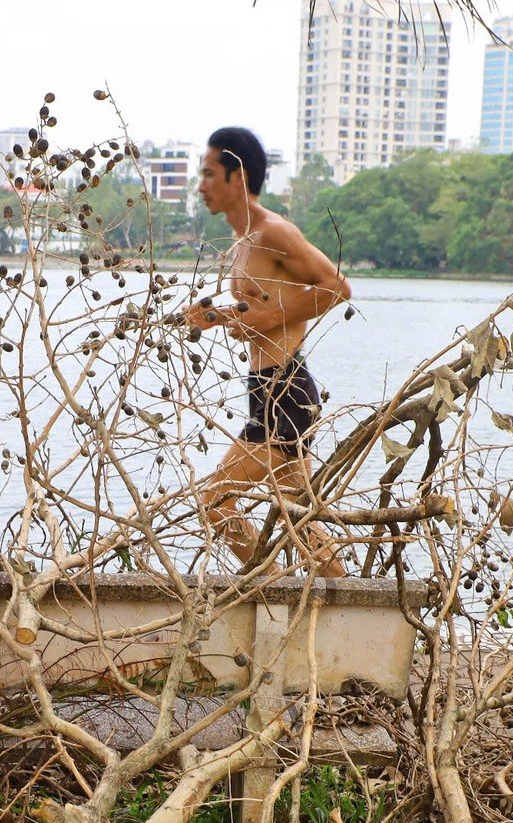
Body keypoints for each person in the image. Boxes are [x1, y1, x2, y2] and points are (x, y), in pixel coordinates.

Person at [187, 125, 352, 577]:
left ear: (236, 176)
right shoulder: (241, 243)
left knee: (215, 501)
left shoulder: (273, 232)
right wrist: (216, 317)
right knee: (301, 523)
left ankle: (269, 588)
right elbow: (258, 310)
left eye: (208, 174)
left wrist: (265, 319)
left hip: (287, 391)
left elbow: (336, 287)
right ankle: (350, 607)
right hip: (266, 388)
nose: (200, 186)